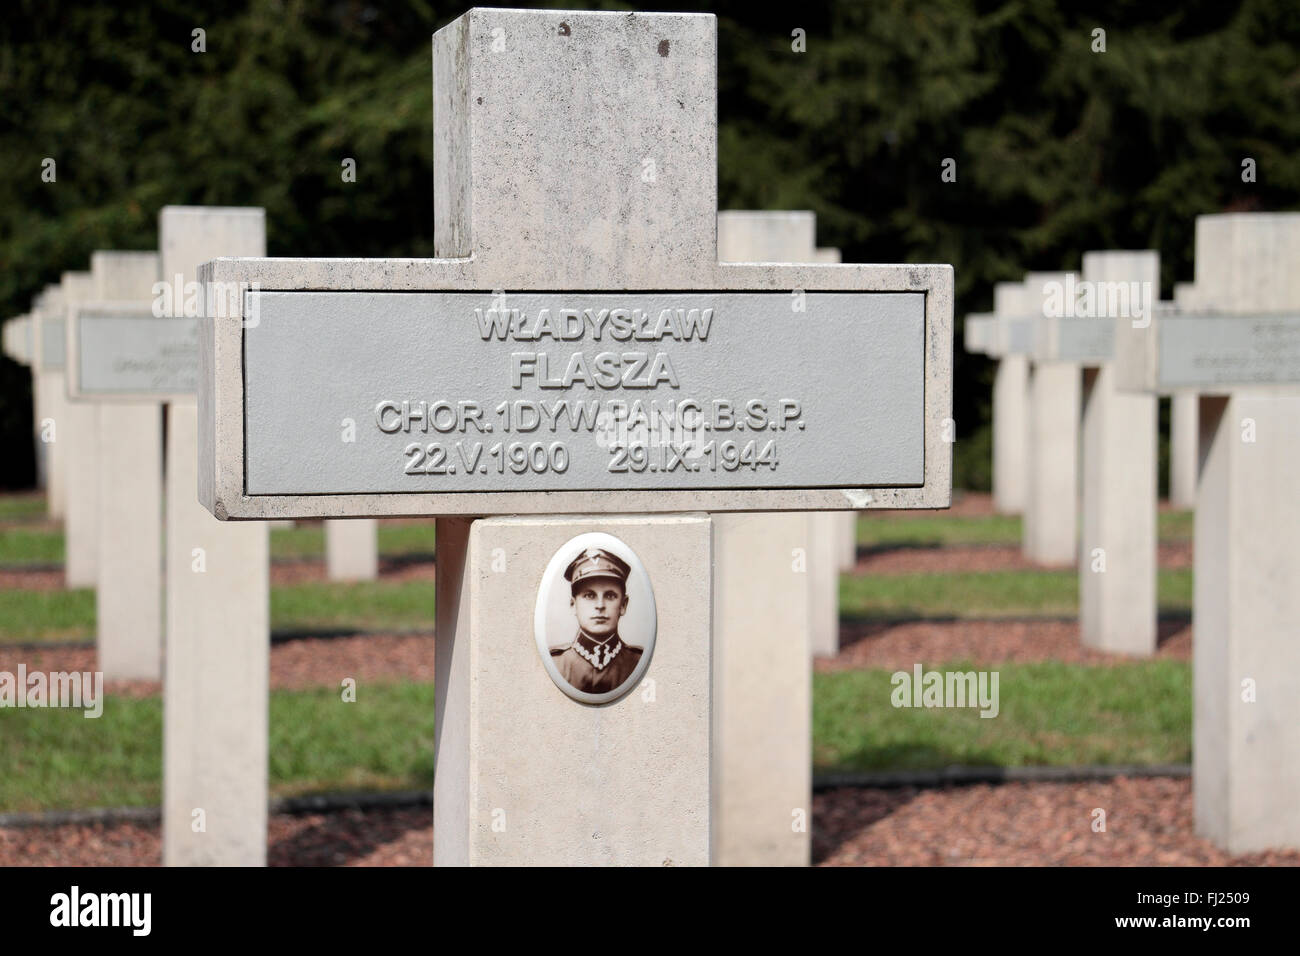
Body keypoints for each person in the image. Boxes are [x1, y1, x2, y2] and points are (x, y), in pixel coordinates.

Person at [551, 547, 643, 695]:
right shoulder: (555, 664)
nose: (600, 606)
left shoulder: (639, 663)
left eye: (610, 596)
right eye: (589, 596)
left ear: (623, 605)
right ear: (573, 605)